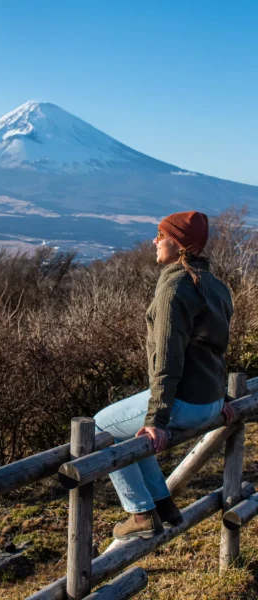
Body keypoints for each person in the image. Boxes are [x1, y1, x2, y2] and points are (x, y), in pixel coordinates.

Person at [94, 211, 234, 540]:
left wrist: (156, 419)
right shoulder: (216, 287)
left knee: (100, 427)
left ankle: (140, 514)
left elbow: (167, 359)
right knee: (126, 428)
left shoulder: (175, 292)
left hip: (185, 403)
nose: (154, 241)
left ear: (179, 244)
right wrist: (221, 398)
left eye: (160, 235)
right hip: (210, 403)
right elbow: (213, 350)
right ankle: (163, 505)